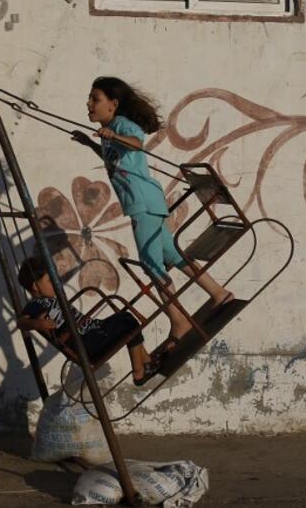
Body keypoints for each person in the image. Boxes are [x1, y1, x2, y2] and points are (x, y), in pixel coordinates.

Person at [71, 76, 233, 353]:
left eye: (95, 99)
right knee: (171, 256)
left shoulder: (121, 125)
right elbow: (116, 159)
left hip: (142, 203)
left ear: (113, 104)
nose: (89, 104)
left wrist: (113, 135)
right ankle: (219, 293)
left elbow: (135, 144)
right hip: (148, 202)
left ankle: (178, 320)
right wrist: (91, 144)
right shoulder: (111, 131)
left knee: (150, 263)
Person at [16, 256, 159, 386]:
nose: (55, 282)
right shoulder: (37, 304)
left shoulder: (55, 296)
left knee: (125, 318)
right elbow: (21, 322)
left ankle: (146, 363)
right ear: (35, 286)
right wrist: (38, 324)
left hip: (93, 332)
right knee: (127, 323)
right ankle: (139, 371)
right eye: (49, 280)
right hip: (86, 342)